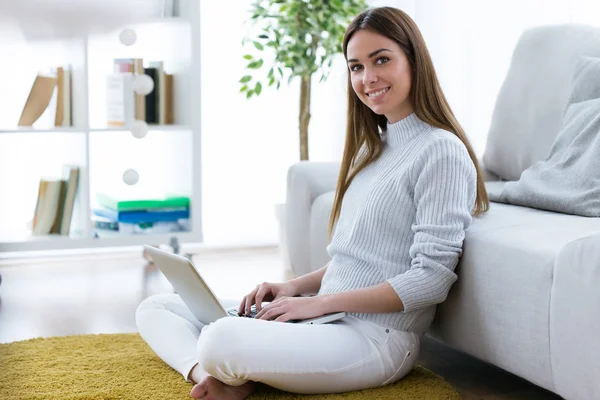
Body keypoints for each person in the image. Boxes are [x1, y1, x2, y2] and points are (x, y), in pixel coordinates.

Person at [135, 6, 490, 400]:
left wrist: (318, 304)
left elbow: (431, 280)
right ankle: (215, 377)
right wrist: (293, 288)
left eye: (382, 60)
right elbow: (356, 258)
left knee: (220, 337)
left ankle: (228, 366)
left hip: (376, 338)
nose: (367, 78)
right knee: (158, 307)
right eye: (356, 67)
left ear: (414, 61)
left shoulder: (440, 150)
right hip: (325, 319)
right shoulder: (374, 148)